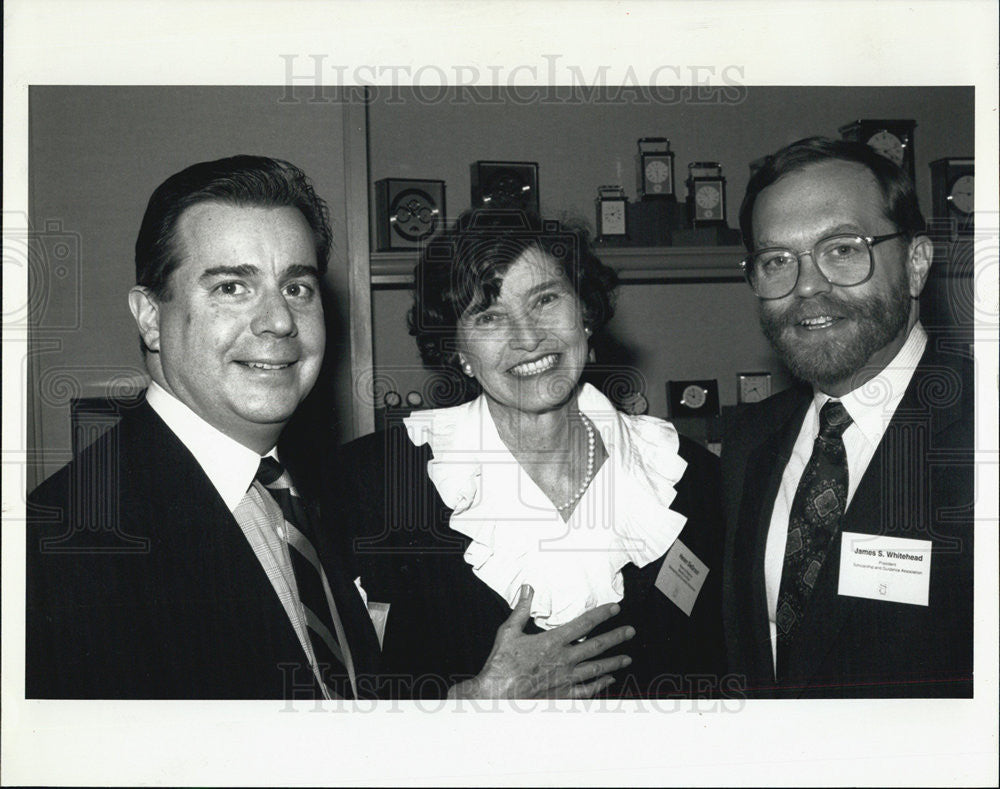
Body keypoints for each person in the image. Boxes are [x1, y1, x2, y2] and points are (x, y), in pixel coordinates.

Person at [328, 210, 727, 699]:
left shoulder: (687, 477)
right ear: (457, 350)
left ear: (585, 313)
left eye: (545, 300)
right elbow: (333, 699)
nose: (527, 336)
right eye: (489, 316)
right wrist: (470, 704)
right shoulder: (370, 485)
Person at [26, 155, 381, 699]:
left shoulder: (317, 493)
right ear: (150, 318)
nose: (280, 321)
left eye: (297, 288)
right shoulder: (63, 548)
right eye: (231, 288)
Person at [722, 137, 974, 698]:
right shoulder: (748, 442)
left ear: (915, 264)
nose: (807, 286)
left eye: (842, 249)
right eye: (776, 261)